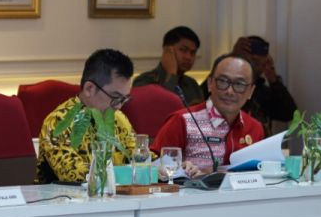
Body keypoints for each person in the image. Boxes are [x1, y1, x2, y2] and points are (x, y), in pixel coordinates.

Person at [37, 49, 138, 184]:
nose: (119, 106)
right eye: (115, 97)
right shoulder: (59, 122)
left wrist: (157, 167)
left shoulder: (119, 119)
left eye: (124, 99)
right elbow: (76, 175)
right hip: (66, 196)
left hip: (115, 195)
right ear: (89, 88)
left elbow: (139, 158)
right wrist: (130, 173)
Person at [154, 54, 265, 176]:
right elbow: (150, 166)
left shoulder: (255, 128)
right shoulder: (182, 120)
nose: (229, 91)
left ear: (250, 91)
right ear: (210, 83)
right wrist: (179, 170)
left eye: (239, 84)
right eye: (223, 81)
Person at [213, 36, 297, 136]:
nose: (254, 60)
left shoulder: (265, 92)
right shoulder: (225, 87)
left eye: (258, 59)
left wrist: (272, 77)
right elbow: (205, 97)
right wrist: (232, 56)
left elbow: (289, 114)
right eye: (250, 57)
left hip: (259, 143)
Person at [133, 26, 204, 104]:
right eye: (183, 50)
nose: (188, 57)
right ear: (167, 51)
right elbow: (161, 107)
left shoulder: (192, 84)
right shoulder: (144, 81)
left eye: (193, 53)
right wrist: (172, 75)